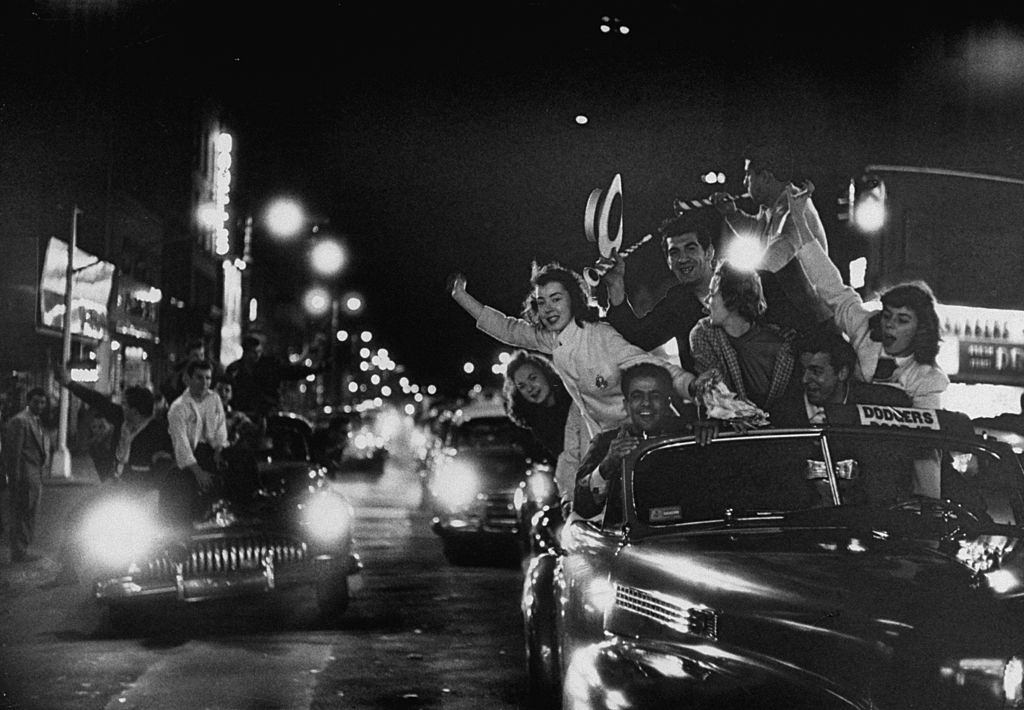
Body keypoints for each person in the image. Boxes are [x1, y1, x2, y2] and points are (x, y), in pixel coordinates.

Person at [450, 262, 696, 441]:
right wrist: (460, 296)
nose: (548, 309)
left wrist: (694, 386)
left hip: (644, 433)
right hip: (604, 441)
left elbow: (650, 366)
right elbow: (507, 329)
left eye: (556, 299)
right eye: (541, 302)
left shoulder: (600, 334)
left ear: (573, 298)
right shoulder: (550, 339)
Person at [786, 193, 949, 409]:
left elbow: (927, 433)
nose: (889, 324)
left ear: (921, 329)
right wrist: (799, 220)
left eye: (902, 320)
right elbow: (830, 285)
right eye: (888, 315)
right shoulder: (864, 327)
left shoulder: (928, 380)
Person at [711, 142, 833, 337]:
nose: (744, 183)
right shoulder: (774, 207)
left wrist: (729, 282)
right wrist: (732, 215)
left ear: (766, 177)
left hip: (813, 325)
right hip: (798, 317)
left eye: (748, 175)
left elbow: (773, 260)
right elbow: (757, 230)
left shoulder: (794, 211)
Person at [572, 363, 697, 520]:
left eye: (655, 396)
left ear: (667, 403)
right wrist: (606, 465)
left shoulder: (688, 434)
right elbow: (581, 507)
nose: (646, 403)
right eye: (637, 396)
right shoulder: (605, 443)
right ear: (626, 405)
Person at [601, 209, 718, 373]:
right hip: (712, 396)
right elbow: (637, 339)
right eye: (674, 253)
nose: (683, 259)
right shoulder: (677, 304)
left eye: (690, 248)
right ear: (668, 262)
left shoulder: (746, 285)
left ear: (709, 252)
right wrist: (615, 284)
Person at [689, 261, 802, 423]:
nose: (707, 301)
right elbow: (715, 395)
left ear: (732, 298)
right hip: (732, 437)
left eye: (712, 294)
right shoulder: (703, 334)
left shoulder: (782, 346)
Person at [55, 370, 173, 488]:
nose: (122, 407)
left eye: (125, 404)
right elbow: (97, 401)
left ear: (135, 411)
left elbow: (162, 470)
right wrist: (69, 383)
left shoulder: (158, 433)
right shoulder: (121, 418)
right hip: (116, 487)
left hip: (141, 491)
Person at [502, 350, 582, 508]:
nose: (530, 388)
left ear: (546, 374)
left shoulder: (575, 397)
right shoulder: (535, 422)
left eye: (533, 378)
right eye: (522, 386)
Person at [165, 360, 229, 523]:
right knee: (184, 490)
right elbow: (182, 445)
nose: (204, 383)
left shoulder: (214, 398)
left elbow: (220, 428)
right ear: (188, 379)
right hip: (191, 456)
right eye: (199, 378)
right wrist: (198, 472)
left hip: (213, 450)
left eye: (208, 378)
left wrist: (219, 449)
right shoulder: (178, 407)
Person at [225, 334, 323, 420]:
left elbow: (291, 371)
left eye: (259, 352)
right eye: (253, 352)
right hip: (242, 414)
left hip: (268, 413)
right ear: (245, 352)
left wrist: (315, 370)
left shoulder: (270, 366)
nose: (257, 355)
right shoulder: (235, 369)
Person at [2, 388, 50, 562]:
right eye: (36, 401)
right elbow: (13, 453)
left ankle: (23, 549)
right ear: (28, 401)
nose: (40, 405)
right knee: (21, 515)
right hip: (24, 476)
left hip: (35, 476)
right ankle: (19, 552)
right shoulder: (20, 421)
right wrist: (14, 479)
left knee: (30, 514)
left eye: (43, 402)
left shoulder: (35, 421)